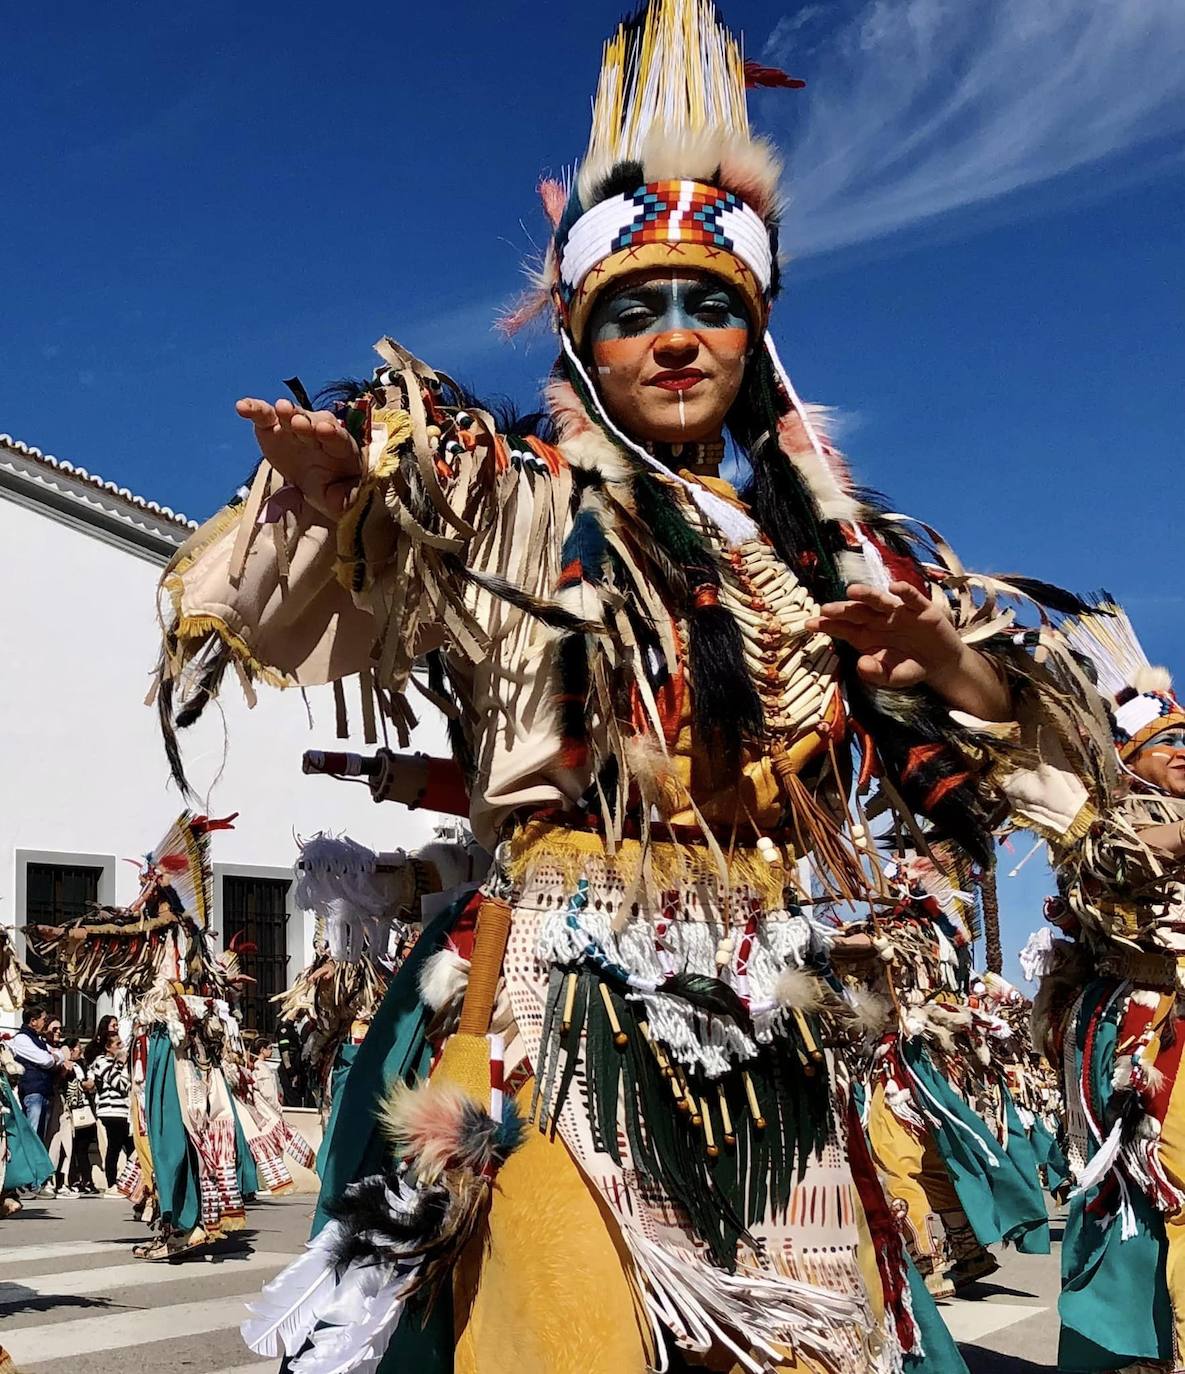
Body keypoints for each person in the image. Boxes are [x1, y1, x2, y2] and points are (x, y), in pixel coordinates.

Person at [158, 3, 1110, 1368]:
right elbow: (308, 587)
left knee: (797, 1342)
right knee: (563, 1325)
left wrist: (951, 662)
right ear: (584, 344)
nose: (675, 339)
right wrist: (339, 498)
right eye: (634, 311)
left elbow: (1042, 770)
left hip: (765, 1002)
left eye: (710, 306)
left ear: (755, 340)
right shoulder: (514, 501)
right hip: (557, 987)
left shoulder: (831, 558)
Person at [1029, 601, 1185, 1371]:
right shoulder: (1098, 823)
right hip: (1140, 1033)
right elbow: (1114, 865)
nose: (1184, 753)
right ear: (1129, 756)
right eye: (1168, 743)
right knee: (1144, 1200)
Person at [9, 1005, 65, 1144]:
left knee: (41, 1136)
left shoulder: (38, 1040)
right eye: (43, 1019)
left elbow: (61, 1055)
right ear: (33, 1021)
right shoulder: (21, 1039)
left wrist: (54, 1057)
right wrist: (53, 1058)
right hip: (33, 1092)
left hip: (43, 1092)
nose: (45, 1023)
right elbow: (46, 1060)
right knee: (32, 1135)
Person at [91, 1026, 131, 1194]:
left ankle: (129, 1182)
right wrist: (121, 1064)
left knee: (131, 1148)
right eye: (117, 1044)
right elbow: (119, 1083)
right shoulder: (102, 1062)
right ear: (108, 1047)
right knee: (114, 1146)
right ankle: (111, 1184)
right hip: (111, 1111)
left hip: (124, 1111)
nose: (121, 1047)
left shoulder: (116, 1064)